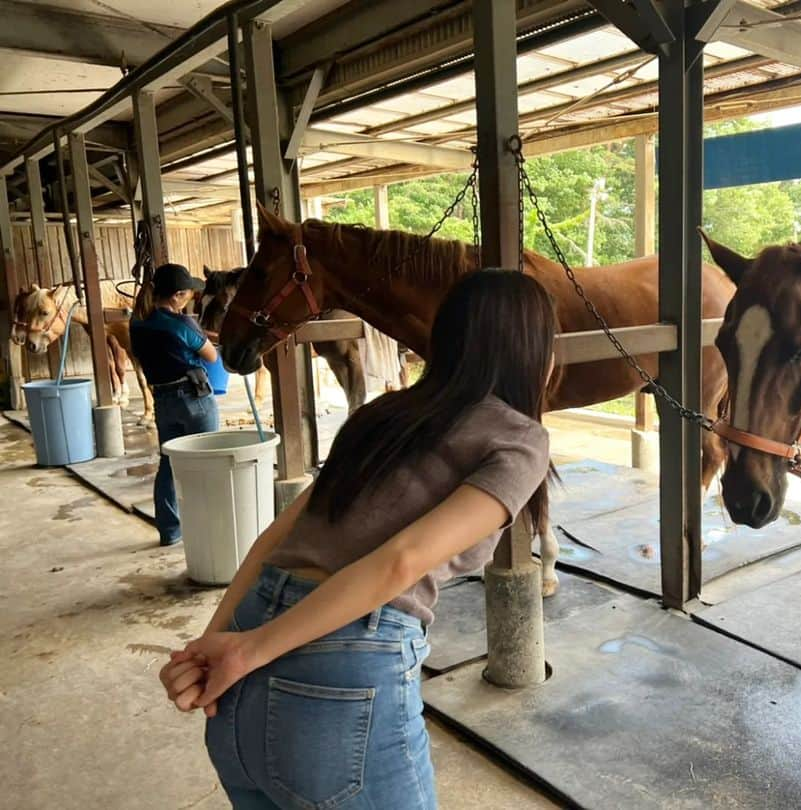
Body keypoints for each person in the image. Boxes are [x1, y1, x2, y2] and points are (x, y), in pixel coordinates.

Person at [159, 269, 556, 810]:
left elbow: (276, 535)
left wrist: (218, 644)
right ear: (533, 350)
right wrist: (241, 652)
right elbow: (402, 561)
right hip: (340, 668)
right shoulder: (519, 437)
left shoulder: (384, 414)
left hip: (251, 636)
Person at [130, 263, 220, 547]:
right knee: (210, 461)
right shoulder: (182, 324)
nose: (188, 299)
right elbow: (211, 357)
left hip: (162, 400)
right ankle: (212, 529)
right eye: (187, 295)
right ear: (177, 296)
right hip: (194, 397)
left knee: (169, 464)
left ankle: (170, 532)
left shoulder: (138, 322)